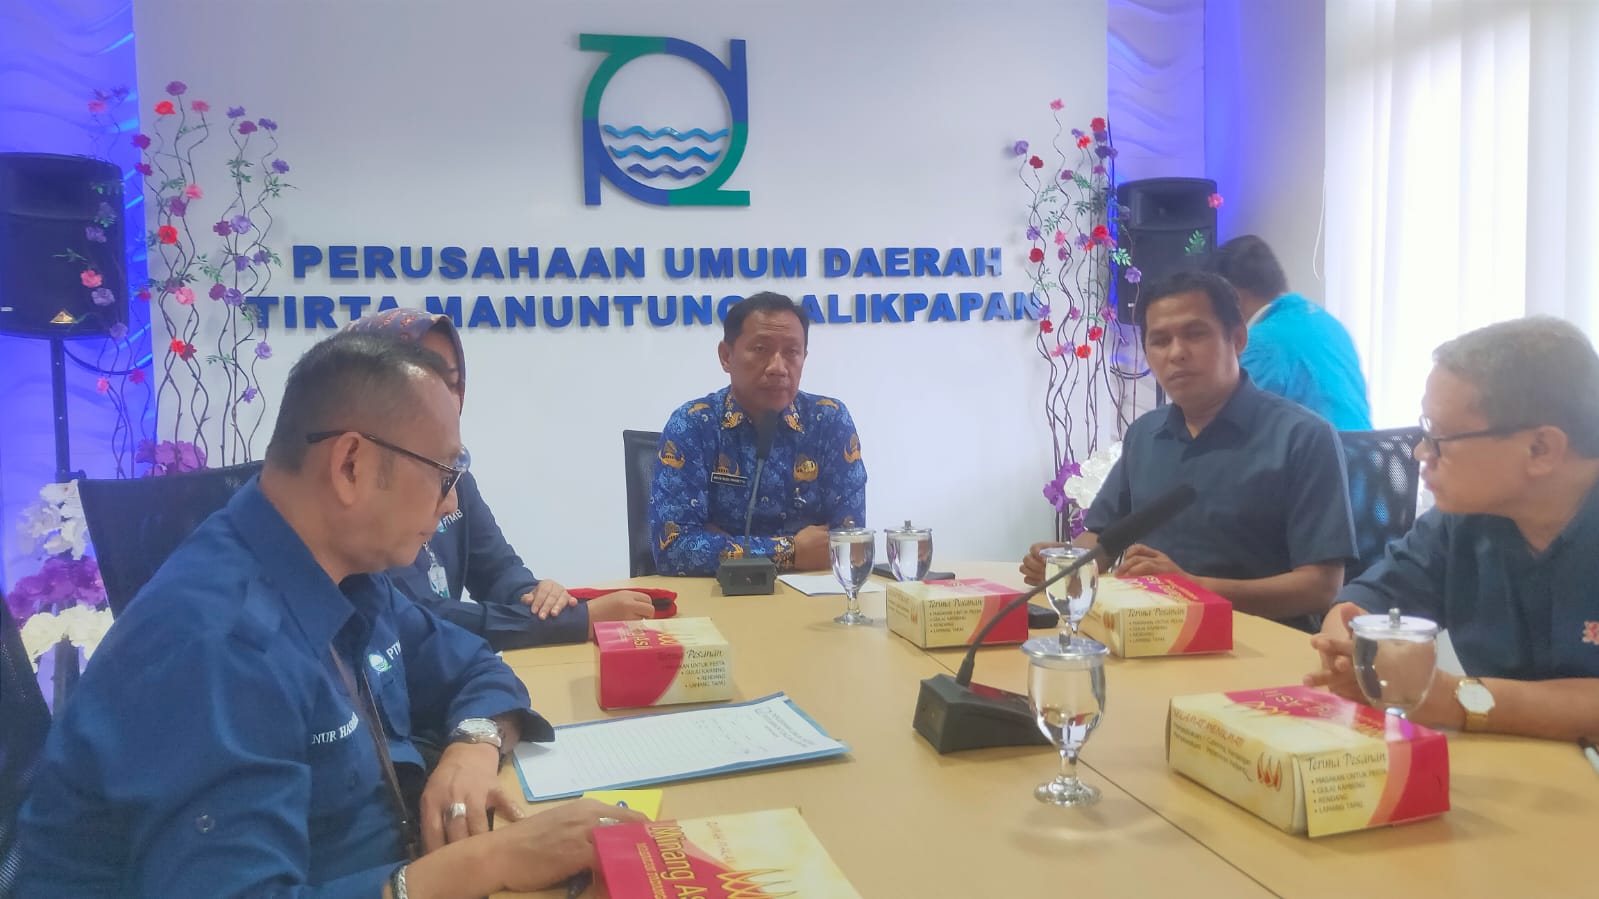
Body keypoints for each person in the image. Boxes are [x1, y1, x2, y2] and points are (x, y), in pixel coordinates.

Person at [18, 333, 645, 897]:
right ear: (351, 465)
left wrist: (473, 746)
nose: (452, 502)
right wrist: (487, 864)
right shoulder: (217, 645)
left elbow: (476, 667)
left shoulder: (346, 571)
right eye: (444, 473)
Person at [1307, 317, 1599, 740]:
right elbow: (1366, 600)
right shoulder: (1464, 519)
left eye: (1440, 438)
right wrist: (1349, 642)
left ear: (1541, 449)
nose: (1420, 452)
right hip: (1515, 759)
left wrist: (1453, 699)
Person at [1020, 271, 1357, 625]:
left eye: (1195, 334)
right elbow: (1102, 538)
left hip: (1256, 640)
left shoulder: (1303, 437)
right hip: (1150, 632)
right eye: (1160, 341)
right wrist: (1067, 563)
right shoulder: (1145, 435)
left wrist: (1193, 588)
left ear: (1238, 339)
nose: (1177, 353)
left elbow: (1321, 586)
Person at [347, 308, 653, 649]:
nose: (442, 397)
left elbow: (498, 571)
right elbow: (421, 620)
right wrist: (575, 621)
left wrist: (538, 599)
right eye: (422, 377)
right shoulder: (360, 492)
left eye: (451, 382)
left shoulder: (455, 474)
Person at [650, 292, 867, 576]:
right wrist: (791, 551)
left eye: (792, 352)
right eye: (761, 349)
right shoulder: (693, 424)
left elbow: (849, 543)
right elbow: (673, 549)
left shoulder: (828, 421)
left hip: (812, 595)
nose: (778, 368)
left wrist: (723, 544)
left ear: (804, 357)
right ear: (726, 356)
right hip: (719, 594)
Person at [1208, 235, 1372, 430]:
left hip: (1316, 449)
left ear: (1233, 297)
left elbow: (1230, 429)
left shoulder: (1260, 343)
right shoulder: (1328, 323)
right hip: (1364, 448)